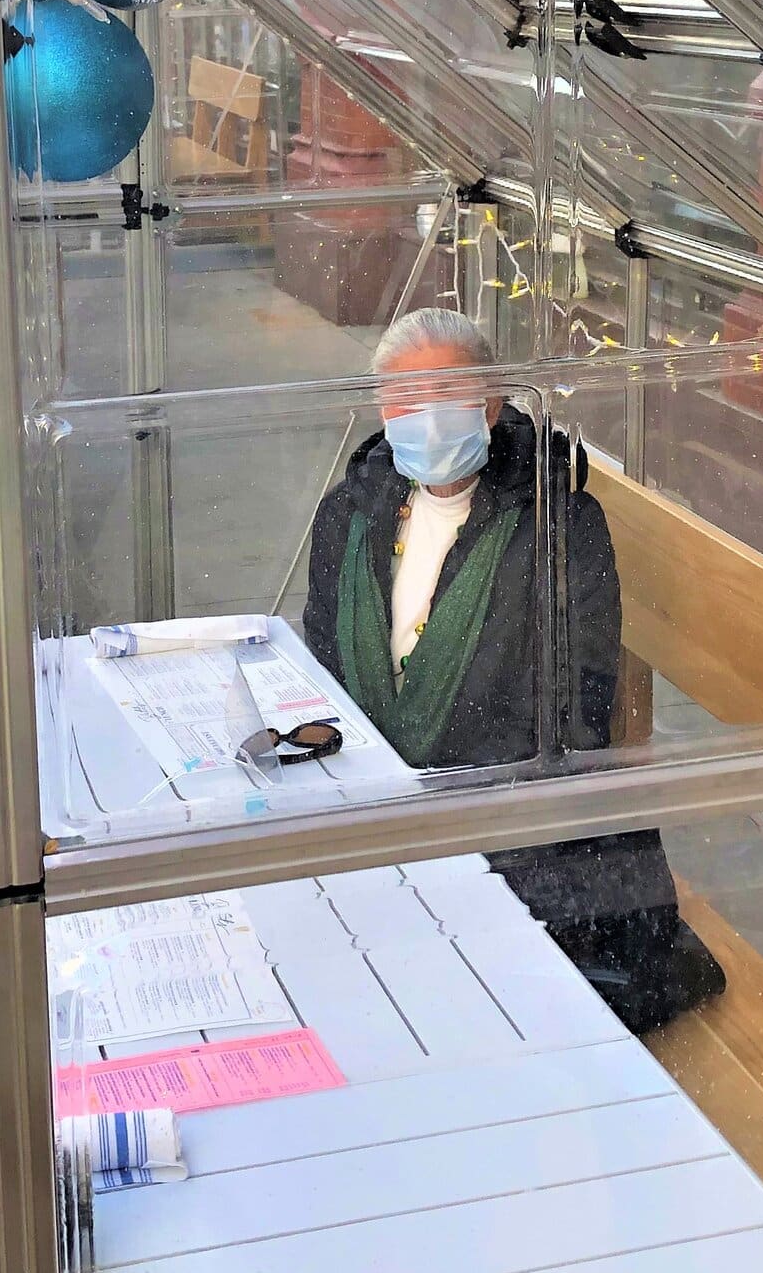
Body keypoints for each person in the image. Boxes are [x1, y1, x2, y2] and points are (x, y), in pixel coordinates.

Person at [301, 307, 725, 1034]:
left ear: (492, 405)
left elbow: (566, 720)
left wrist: (428, 817)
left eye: (448, 396)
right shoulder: (353, 510)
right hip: (372, 821)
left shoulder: (559, 524)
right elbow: (321, 668)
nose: (426, 419)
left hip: (510, 836)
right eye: (406, 401)